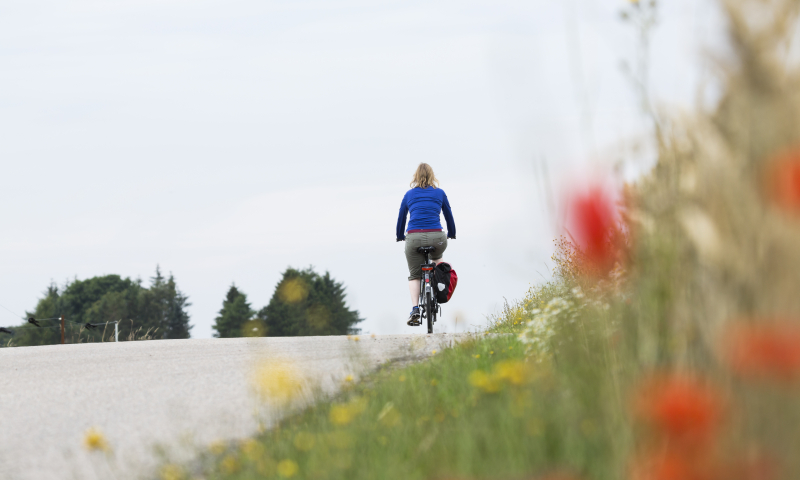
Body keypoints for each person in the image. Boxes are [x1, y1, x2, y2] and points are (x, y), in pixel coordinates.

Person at [396, 163, 456, 326]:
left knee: (415, 275)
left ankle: (415, 309)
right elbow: (448, 214)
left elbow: (402, 217)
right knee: (437, 261)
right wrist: (452, 233)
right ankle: (438, 286)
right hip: (437, 237)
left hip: (414, 238)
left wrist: (399, 235)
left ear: (415, 176)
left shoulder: (409, 194)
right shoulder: (440, 193)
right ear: (432, 176)